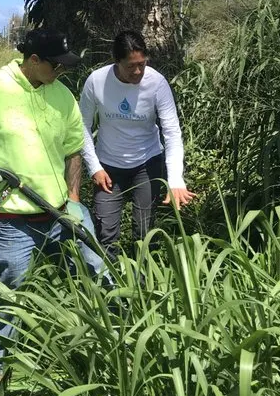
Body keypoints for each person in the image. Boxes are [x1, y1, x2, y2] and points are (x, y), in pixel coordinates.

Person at [0, 29, 104, 368]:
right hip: (14, 218)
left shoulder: (62, 95)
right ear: (33, 60)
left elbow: (74, 148)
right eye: (56, 66)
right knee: (6, 292)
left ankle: (111, 341)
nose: (62, 72)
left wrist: (73, 197)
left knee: (98, 270)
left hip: (61, 213)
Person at [79, 29, 194, 259]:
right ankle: (107, 285)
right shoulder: (97, 81)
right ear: (116, 61)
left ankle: (143, 284)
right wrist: (94, 167)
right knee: (105, 232)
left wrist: (175, 179)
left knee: (144, 231)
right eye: (131, 66)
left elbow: (171, 132)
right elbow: (81, 126)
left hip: (147, 164)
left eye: (142, 64)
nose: (138, 71)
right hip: (108, 167)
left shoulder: (157, 83)